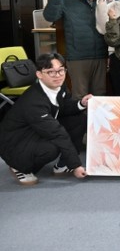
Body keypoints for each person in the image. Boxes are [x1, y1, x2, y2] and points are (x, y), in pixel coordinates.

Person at [0, 53, 89, 185]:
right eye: (51, 72)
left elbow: (64, 108)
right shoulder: (34, 100)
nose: (58, 75)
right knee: (52, 147)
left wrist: (81, 104)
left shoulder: (59, 86)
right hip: (15, 143)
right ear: (39, 74)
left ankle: (63, 165)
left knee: (79, 120)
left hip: (35, 131)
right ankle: (19, 166)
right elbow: (57, 133)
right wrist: (76, 165)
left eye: (61, 70)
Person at [43, 0, 108, 98]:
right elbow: (49, 16)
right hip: (78, 57)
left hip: (101, 55)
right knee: (79, 96)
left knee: (100, 95)